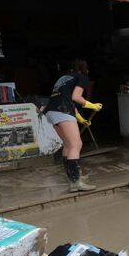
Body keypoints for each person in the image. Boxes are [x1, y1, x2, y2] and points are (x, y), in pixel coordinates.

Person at [44, 59, 102, 192]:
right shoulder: (82, 77)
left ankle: (72, 177)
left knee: (68, 144)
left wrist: (81, 119)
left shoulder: (63, 78)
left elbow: (67, 99)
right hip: (62, 110)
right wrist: (92, 105)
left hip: (51, 111)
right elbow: (76, 97)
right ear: (85, 69)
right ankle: (76, 182)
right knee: (76, 145)